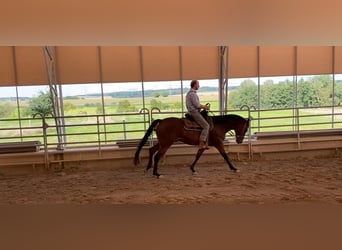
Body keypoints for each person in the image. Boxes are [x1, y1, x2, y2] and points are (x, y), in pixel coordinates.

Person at [186, 80, 210, 149]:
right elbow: (197, 105)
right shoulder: (192, 94)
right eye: (198, 84)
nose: (199, 86)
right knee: (206, 126)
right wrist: (205, 107)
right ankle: (202, 143)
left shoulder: (190, 93)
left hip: (192, 111)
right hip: (194, 112)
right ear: (195, 85)